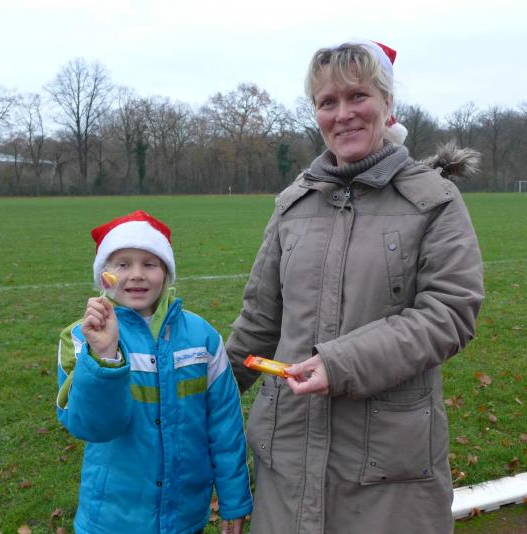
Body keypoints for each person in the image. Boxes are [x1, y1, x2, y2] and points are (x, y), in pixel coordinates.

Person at [225, 40, 485, 533]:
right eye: (328, 102)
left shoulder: (434, 200)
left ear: (387, 103)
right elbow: (259, 323)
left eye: (357, 96)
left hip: (387, 467)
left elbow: (449, 314)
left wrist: (340, 363)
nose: (343, 114)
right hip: (288, 458)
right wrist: (195, 397)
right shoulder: (292, 204)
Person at [56, 210, 252, 534]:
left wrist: (234, 498)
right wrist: (104, 356)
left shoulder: (202, 337)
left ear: (166, 272)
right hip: (112, 520)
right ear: (104, 276)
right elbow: (91, 426)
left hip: (185, 517)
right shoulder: (80, 338)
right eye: (122, 264)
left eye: (149, 264)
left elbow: (224, 425)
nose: (137, 275)